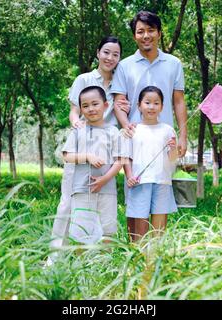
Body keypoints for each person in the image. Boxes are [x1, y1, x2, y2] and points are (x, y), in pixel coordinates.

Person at [48, 36, 127, 264]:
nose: (110, 58)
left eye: (115, 54)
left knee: (101, 212)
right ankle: (55, 259)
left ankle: (97, 260)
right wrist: (77, 124)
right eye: (106, 52)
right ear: (98, 53)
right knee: (67, 205)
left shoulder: (120, 83)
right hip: (83, 143)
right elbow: (74, 111)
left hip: (106, 150)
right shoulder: (84, 79)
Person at [110, 10, 188, 238]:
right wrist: (126, 126)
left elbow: (179, 101)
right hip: (137, 143)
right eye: (140, 31)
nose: (146, 36)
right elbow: (118, 102)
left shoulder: (173, 64)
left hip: (164, 142)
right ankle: (135, 253)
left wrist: (182, 136)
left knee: (160, 199)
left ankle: (156, 253)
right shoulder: (125, 66)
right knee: (136, 200)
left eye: (150, 30)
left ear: (159, 33)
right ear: (134, 36)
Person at [62, 86, 129, 243]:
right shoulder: (78, 130)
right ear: (81, 109)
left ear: (105, 105)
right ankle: (82, 264)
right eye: (85, 106)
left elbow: (121, 159)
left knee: (107, 228)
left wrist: (105, 178)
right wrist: (87, 157)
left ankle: (104, 263)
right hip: (82, 189)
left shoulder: (113, 131)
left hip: (107, 190)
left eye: (95, 104)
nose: (91, 109)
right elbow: (67, 156)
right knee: (80, 229)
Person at [124, 86, 178, 241]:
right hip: (140, 182)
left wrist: (174, 148)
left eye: (156, 103)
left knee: (158, 229)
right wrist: (129, 176)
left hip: (162, 182)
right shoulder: (133, 129)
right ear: (139, 105)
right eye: (147, 102)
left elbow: (173, 159)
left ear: (162, 106)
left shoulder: (168, 130)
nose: (151, 107)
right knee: (139, 227)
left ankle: (155, 258)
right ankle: (137, 257)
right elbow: (126, 157)